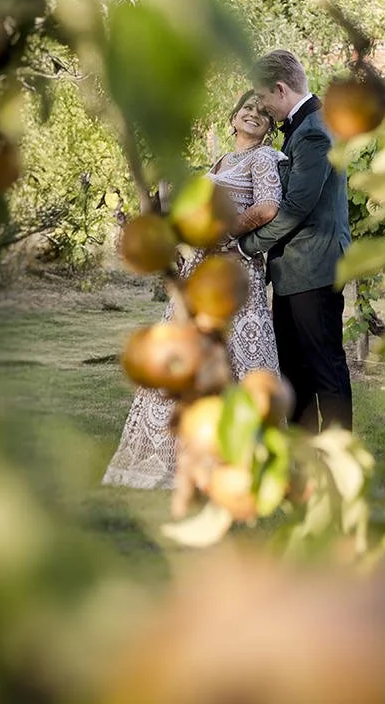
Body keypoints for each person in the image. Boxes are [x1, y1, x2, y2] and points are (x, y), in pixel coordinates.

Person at [103, 91, 283, 490]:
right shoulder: (221, 161)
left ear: (270, 127)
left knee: (240, 360)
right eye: (247, 109)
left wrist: (223, 235)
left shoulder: (264, 158)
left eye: (262, 113)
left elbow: (268, 208)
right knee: (187, 353)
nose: (253, 115)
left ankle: (250, 461)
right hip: (199, 271)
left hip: (234, 270)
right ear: (233, 117)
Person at [238, 50, 353, 433]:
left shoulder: (315, 131)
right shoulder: (305, 127)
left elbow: (295, 208)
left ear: (280, 88)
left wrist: (245, 246)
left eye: (264, 97)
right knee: (295, 368)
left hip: (313, 268)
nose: (264, 107)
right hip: (295, 272)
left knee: (324, 367)